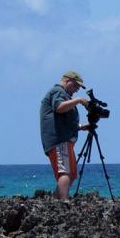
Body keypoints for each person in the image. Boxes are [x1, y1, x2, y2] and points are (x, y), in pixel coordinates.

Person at [39, 70, 92, 200]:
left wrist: (80, 127)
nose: (76, 90)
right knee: (65, 172)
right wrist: (78, 100)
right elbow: (59, 107)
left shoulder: (64, 95)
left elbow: (61, 120)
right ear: (67, 81)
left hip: (63, 138)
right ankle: (63, 201)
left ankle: (56, 199)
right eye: (75, 86)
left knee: (72, 174)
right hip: (59, 140)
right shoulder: (58, 91)